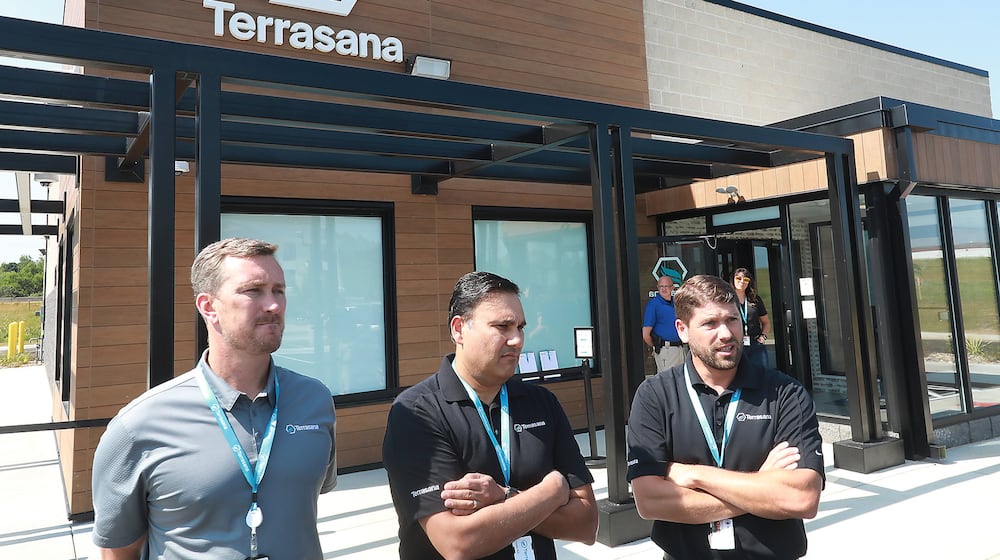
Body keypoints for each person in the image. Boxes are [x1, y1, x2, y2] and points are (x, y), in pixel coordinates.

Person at [91, 238, 337, 560]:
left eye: (279, 290)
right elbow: (119, 550)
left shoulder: (314, 400)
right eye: (254, 290)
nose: (274, 305)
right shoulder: (138, 426)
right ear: (209, 306)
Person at [382, 271, 598, 559]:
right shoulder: (416, 412)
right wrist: (552, 492)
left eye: (520, 327)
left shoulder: (542, 402)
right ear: (459, 329)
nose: (517, 340)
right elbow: (458, 543)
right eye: (502, 326)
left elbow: (586, 524)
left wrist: (505, 496)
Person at [627, 275, 824, 560]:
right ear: (682, 330)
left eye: (732, 320)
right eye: (710, 323)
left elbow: (801, 498)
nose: (726, 333)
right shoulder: (655, 396)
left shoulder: (785, 393)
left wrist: (694, 474)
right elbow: (650, 501)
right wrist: (762, 484)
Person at [643, 274, 685, 372]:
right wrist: (656, 346)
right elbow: (645, 334)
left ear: (672, 287)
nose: (663, 289)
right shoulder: (653, 305)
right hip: (665, 350)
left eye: (666, 286)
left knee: (681, 381)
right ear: (657, 288)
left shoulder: (676, 303)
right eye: (661, 286)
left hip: (680, 349)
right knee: (667, 383)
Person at [732, 267, 771, 369]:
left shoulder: (755, 299)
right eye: (738, 278)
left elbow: (766, 322)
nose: (742, 282)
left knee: (761, 374)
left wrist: (763, 337)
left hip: (755, 345)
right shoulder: (728, 300)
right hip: (735, 345)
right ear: (733, 279)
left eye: (745, 279)